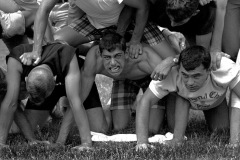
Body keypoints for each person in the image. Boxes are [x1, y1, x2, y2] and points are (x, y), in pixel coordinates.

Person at [55, 31, 179, 137]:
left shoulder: (144, 56)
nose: (113, 63)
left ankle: (150, 110)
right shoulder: (94, 58)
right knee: (120, 126)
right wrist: (61, 139)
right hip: (122, 80)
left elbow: (174, 85)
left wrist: (173, 122)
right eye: (107, 58)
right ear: (100, 55)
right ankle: (113, 106)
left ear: (126, 53)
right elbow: (77, 100)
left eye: (117, 56)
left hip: (151, 79)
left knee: (152, 130)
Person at [0, 41, 108, 150]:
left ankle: (63, 113)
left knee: (100, 128)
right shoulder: (17, 58)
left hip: (73, 78)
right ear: (26, 79)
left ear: (55, 81)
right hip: (44, 81)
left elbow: (75, 103)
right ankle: (55, 115)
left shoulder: (67, 56)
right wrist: (2, 143)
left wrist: (86, 143)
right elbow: (11, 102)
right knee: (23, 128)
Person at [136, 46, 240, 150]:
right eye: (185, 75)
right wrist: (142, 142)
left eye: (196, 76)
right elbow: (145, 101)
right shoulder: (171, 72)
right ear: (179, 69)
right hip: (181, 99)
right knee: (173, 128)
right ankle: (178, 137)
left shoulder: (223, 67)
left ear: (209, 70)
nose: (190, 82)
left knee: (221, 130)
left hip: (214, 102)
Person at [19, 0, 176, 66]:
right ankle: (68, 95)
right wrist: (36, 50)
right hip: (94, 22)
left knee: (172, 58)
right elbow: (43, 10)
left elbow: (143, 6)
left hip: (132, 21)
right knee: (53, 48)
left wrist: (135, 40)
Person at [148, 0, 228, 70]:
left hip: (196, 25)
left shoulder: (205, 15)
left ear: (195, 13)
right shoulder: (159, 5)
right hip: (158, 15)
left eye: (178, 22)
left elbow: (200, 53)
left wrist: (172, 61)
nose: (172, 25)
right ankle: (169, 35)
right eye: (170, 19)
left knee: (199, 62)